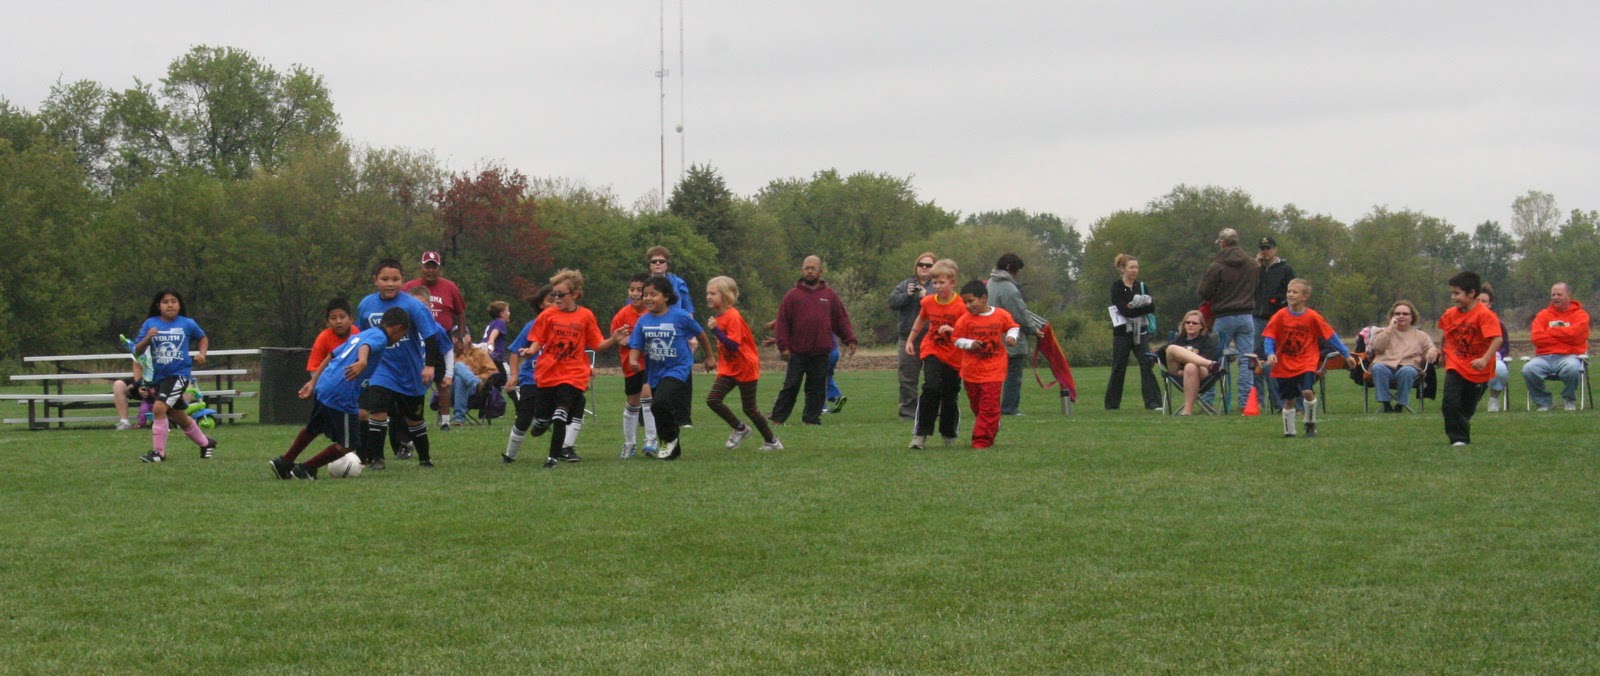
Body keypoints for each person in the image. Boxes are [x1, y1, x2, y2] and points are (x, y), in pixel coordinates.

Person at [270, 308, 409, 480]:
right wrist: (362, 361)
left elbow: (332, 354)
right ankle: (306, 469)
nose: (400, 338)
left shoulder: (364, 333)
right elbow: (366, 347)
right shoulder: (380, 337)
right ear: (398, 328)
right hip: (341, 391)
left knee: (313, 428)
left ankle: (284, 463)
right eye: (403, 335)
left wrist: (313, 382)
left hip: (325, 384)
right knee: (350, 444)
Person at [519, 269, 630, 469]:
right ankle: (542, 421)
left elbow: (597, 345)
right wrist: (530, 351)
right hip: (548, 372)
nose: (556, 298)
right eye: (554, 294)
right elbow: (538, 339)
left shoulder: (586, 316)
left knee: (560, 414)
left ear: (575, 294)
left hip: (574, 373)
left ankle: (552, 458)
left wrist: (614, 339)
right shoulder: (548, 315)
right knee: (543, 417)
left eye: (561, 295)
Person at [357, 258, 451, 469]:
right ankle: (377, 459)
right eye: (385, 279)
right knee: (378, 411)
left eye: (395, 279)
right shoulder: (366, 305)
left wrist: (429, 365)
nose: (390, 284)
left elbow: (431, 337)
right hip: (380, 367)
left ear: (403, 280)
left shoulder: (414, 306)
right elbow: (360, 336)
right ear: (375, 280)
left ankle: (425, 458)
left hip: (409, 370)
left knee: (414, 419)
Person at [628, 275, 715, 461]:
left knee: (660, 402)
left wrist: (709, 357)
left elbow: (701, 334)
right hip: (655, 371)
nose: (648, 298)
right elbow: (636, 344)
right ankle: (670, 445)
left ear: (666, 296)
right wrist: (633, 360)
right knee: (658, 407)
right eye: (645, 295)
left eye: (653, 294)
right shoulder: (643, 321)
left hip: (678, 368)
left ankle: (669, 439)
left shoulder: (680, 316)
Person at [769, 256, 857, 426]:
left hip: (821, 351)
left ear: (820, 272)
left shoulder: (829, 295)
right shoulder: (792, 296)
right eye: (806, 268)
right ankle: (778, 418)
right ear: (802, 270)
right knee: (791, 386)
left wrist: (850, 339)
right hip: (797, 352)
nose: (809, 271)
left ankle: (811, 419)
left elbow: (840, 319)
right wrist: (783, 347)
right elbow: (782, 323)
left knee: (816, 388)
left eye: (813, 268)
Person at [134, 290, 217, 463]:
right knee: (180, 417)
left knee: (158, 409)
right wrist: (147, 338)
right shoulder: (150, 323)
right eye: (165, 302)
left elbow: (202, 337)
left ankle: (158, 453)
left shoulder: (187, 323)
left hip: (178, 375)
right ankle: (206, 443)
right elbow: (137, 351)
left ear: (179, 305)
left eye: (174, 301)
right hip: (159, 377)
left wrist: (202, 354)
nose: (170, 305)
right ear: (158, 306)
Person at [1262, 279, 1351, 437]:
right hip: (1285, 363)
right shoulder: (1280, 316)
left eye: (1295, 292)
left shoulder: (1312, 317)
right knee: (1289, 400)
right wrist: (1270, 353)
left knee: (1307, 391)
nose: (1290, 294)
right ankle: (1289, 431)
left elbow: (1330, 335)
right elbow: (1269, 337)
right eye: (1289, 291)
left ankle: (1310, 423)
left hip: (1306, 362)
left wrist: (1346, 354)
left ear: (1305, 296)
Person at [704, 276, 781, 450]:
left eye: (713, 293)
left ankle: (772, 441)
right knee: (713, 400)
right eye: (707, 293)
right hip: (729, 368)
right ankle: (740, 429)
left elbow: (733, 345)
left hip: (745, 367)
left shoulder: (733, 316)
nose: (708, 296)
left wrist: (715, 330)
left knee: (750, 409)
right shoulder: (719, 316)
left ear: (725, 295)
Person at [1437, 271, 1502, 446]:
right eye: (1452, 293)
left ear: (1471, 293)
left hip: (1477, 368)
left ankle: (1461, 425)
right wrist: (1443, 354)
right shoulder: (1450, 314)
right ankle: (1458, 439)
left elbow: (1497, 339)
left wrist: (1484, 359)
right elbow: (1446, 334)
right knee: (1450, 402)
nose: (1453, 297)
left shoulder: (1484, 315)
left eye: (1457, 293)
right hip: (1456, 363)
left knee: (1467, 407)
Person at [403, 251, 466, 430]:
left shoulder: (450, 287)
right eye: (427, 266)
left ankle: (445, 420)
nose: (430, 270)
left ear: (439, 268)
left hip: (440, 337)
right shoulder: (410, 287)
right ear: (421, 267)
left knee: (443, 381)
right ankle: (411, 417)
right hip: (414, 339)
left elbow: (460, 312)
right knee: (412, 381)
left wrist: (460, 336)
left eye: (434, 267)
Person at [1198, 228, 1261, 409]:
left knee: (1213, 359)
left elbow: (1204, 292)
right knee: (1246, 360)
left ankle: (1208, 400)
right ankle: (1246, 402)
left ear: (1222, 243)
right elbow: (1256, 287)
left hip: (1224, 316)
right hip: (1247, 316)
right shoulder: (1252, 264)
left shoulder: (1217, 266)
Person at [906, 259, 965, 449]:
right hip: (932, 348)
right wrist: (910, 339)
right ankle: (920, 434)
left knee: (949, 392)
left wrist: (952, 330)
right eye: (935, 282)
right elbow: (921, 319)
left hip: (954, 354)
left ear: (952, 282)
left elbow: (967, 329)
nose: (938, 286)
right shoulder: (929, 301)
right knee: (931, 387)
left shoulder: (961, 306)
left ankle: (948, 433)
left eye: (942, 282)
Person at [953, 280, 1019, 449]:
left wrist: (1011, 337)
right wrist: (970, 344)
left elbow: (1013, 327)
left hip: (994, 369)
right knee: (977, 405)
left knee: (989, 405)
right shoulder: (964, 320)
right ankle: (992, 423)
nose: (968, 306)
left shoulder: (1001, 315)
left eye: (971, 301)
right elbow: (956, 339)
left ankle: (981, 441)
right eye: (965, 302)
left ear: (984, 298)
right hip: (971, 371)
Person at [501, 286, 554, 464]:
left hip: (555, 378)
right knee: (524, 416)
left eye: (558, 300)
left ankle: (563, 450)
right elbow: (515, 352)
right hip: (531, 378)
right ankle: (510, 455)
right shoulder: (532, 326)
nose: (555, 304)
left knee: (565, 410)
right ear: (540, 304)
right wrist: (514, 375)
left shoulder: (563, 325)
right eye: (550, 300)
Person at [989, 253, 1045, 415]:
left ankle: (991, 406)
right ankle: (1010, 408)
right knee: (1013, 375)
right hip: (1010, 338)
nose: (1017, 274)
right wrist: (1034, 329)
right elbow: (1020, 314)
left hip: (992, 336)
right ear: (1009, 268)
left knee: (994, 376)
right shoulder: (1009, 288)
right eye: (1016, 270)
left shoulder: (990, 283)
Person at [1521, 282, 1590, 411]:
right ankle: (1544, 402)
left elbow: (1577, 336)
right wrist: (1565, 336)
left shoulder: (1581, 315)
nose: (1555, 297)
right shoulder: (1543, 315)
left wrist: (1551, 331)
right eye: (1553, 295)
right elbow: (1536, 338)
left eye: (1559, 294)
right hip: (1544, 357)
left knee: (1572, 368)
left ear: (1569, 296)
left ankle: (1569, 399)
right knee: (1528, 369)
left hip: (1570, 356)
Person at [613, 273, 659, 458]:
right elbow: (615, 335)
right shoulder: (623, 314)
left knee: (647, 396)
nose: (635, 293)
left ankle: (651, 439)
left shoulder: (653, 313)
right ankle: (629, 442)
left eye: (639, 290)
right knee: (633, 402)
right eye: (632, 289)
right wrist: (620, 339)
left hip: (650, 363)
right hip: (630, 365)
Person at [1106, 253, 1161, 410]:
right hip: (1122, 334)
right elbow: (1124, 311)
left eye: (1136, 267)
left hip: (1141, 333)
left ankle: (1153, 402)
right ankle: (1112, 404)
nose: (1134, 270)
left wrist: (1135, 307)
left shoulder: (1141, 287)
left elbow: (1151, 307)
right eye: (1131, 267)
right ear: (1122, 269)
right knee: (1119, 367)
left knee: (1147, 364)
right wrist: (1139, 308)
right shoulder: (1117, 287)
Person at [1368, 300, 1439, 413]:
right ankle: (1386, 404)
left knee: (1407, 371)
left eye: (1405, 314)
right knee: (1377, 368)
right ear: (1392, 316)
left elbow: (1431, 347)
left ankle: (1400, 405)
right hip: (1385, 367)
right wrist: (1389, 329)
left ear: (1412, 317)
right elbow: (1377, 347)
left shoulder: (1421, 335)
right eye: (1397, 313)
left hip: (1409, 368)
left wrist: (1432, 350)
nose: (1401, 316)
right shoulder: (1383, 332)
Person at [888, 252, 936, 419]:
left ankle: (933, 411)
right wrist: (907, 296)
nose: (924, 268)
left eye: (928, 265)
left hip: (933, 339)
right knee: (907, 379)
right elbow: (892, 303)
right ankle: (908, 413)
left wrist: (926, 297)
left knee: (933, 379)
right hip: (907, 338)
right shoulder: (905, 284)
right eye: (921, 264)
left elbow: (945, 305)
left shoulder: (937, 285)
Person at [1253, 236, 1296, 410]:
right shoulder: (1256, 269)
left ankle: (1280, 400)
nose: (1265, 252)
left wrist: (1280, 303)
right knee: (1255, 358)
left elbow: (1292, 291)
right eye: (1262, 248)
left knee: (1276, 357)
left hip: (1277, 317)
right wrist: (1256, 268)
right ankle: (1257, 400)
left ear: (1275, 249)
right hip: (1257, 317)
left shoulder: (1285, 269)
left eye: (1268, 248)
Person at [1160, 310, 1223, 415]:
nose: (1190, 325)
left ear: (1201, 326)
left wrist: (1187, 366)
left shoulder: (1207, 341)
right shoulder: (1178, 340)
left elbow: (1212, 355)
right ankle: (1209, 363)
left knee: (1190, 366)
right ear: (1183, 324)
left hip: (1202, 374)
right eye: (1187, 322)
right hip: (1177, 374)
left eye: (1194, 323)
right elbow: (1161, 354)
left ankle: (1187, 411)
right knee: (1171, 348)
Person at [299, 297, 359, 400]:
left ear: (351, 319)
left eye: (342, 317)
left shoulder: (357, 333)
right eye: (333, 318)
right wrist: (323, 386)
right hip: (328, 387)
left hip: (351, 384)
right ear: (327, 322)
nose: (338, 321)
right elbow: (314, 369)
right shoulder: (323, 338)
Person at [448, 330, 502, 425]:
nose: (459, 339)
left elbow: (493, 372)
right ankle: (477, 384)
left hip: (475, 392)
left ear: (469, 338)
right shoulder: (448, 355)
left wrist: (474, 377)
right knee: (458, 367)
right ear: (452, 339)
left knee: (461, 379)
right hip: (451, 390)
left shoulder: (480, 353)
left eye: (462, 336)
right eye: (456, 336)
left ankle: (459, 418)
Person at [1477, 284, 1513, 412]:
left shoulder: (1497, 323)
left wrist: (1491, 355)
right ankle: (1471, 399)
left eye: (1484, 301)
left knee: (1500, 369)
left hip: (1492, 358)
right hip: (1469, 358)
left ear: (1490, 304)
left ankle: (1493, 400)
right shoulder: (1465, 321)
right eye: (1477, 300)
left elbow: (1504, 347)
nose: (1480, 304)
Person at [482, 300, 511, 373]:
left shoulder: (492, 323)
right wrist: (490, 345)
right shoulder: (500, 322)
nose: (509, 313)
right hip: (496, 356)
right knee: (508, 375)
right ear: (502, 314)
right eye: (507, 311)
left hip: (486, 355)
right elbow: (493, 335)